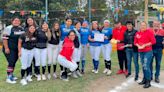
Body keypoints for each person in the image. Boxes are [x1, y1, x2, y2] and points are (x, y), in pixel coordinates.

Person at [2, 17, 24, 84]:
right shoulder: (8, 28)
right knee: (11, 62)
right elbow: (4, 39)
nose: (16, 22)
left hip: (16, 49)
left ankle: (11, 75)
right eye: (15, 20)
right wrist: (6, 48)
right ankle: (8, 77)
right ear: (12, 21)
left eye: (18, 20)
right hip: (9, 48)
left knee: (14, 62)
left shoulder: (21, 28)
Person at [134, 21, 156, 88]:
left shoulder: (149, 32)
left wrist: (145, 45)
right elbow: (135, 42)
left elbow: (153, 41)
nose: (143, 26)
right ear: (140, 26)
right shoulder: (138, 33)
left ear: (146, 26)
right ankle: (144, 79)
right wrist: (138, 46)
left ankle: (148, 81)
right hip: (141, 51)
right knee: (143, 66)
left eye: (144, 25)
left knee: (146, 65)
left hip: (148, 51)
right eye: (141, 25)